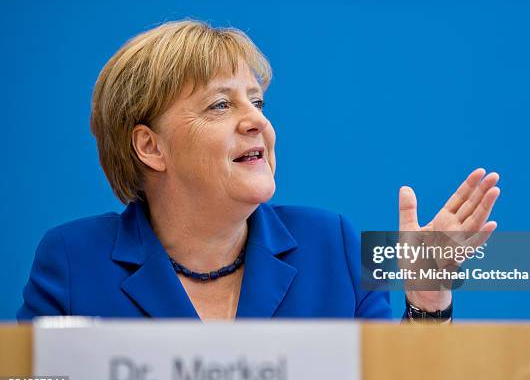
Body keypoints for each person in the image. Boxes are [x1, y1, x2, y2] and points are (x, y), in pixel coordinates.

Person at [17, 20, 500, 322]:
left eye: (258, 101)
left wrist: (427, 300)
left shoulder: (330, 244)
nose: (257, 121)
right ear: (151, 146)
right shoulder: (73, 260)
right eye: (221, 104)